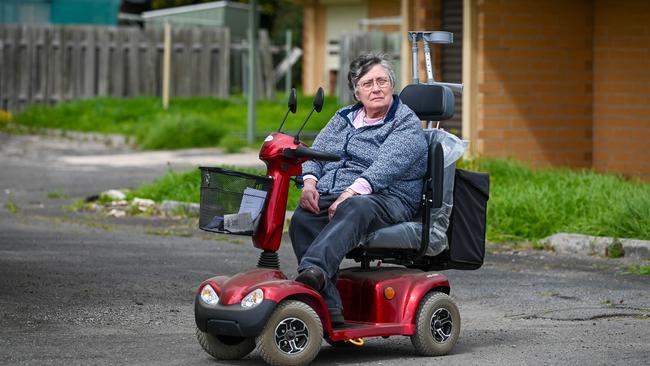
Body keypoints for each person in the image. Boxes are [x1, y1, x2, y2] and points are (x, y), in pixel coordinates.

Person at [289, 52, 428, 324]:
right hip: (340, 193)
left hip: (389, 196)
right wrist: (309, 183)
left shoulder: (405, 122)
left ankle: (313, 271)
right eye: (367, 83)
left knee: (356, 205)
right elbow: (317, 154)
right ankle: (331, 309)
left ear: (392, 85)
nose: (376, 88)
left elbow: (386, 167)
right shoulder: (344, 117)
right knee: (303, 217)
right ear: (356, 92)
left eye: (382, 81)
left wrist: (350, 192)